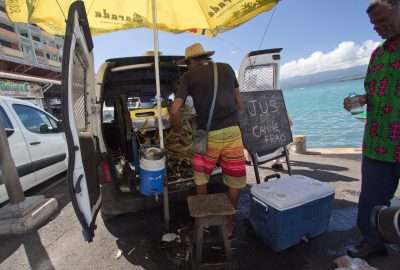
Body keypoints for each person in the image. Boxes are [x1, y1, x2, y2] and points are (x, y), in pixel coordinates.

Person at [170, 43, 247, 237]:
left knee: (201, 177)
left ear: (191, 62)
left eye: (187, 64)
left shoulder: (188, 76)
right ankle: (229, 226)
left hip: (203, 134)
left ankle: (204, 223)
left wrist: (178, 131)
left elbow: (174, 110)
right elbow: (238, 103)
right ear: (205, 57)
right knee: (234, 181)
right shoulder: (227, 68)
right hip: (232, 132)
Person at [343, 0, 400, 259]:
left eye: (381, 20)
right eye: (373, 24)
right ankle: (372, 242)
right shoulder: (378, 53)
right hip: (378, 142)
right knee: (370, 199)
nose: (377, 27)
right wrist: (361, 100)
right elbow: (373, 91)